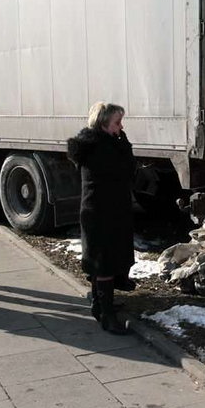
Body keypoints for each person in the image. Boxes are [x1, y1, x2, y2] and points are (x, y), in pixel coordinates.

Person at [67, 102, 136, 335]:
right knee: (104, 262)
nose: (121, 126)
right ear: (104, 124)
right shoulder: (101, 147)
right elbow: (126, 169)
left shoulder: (98, 144)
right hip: (102, 213)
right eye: (117, 122)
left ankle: (99, 305)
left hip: (105, 210)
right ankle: (107, 315)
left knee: (102, 260)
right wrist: (124, 143)